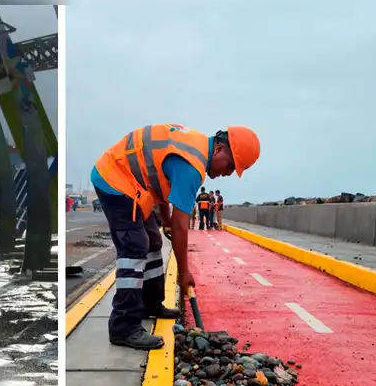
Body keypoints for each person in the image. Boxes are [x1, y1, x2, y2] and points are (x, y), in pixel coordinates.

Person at [89, 124, 261, 349]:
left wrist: (166, 221)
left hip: (136, 185)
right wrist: (183, 272)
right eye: (230, 166)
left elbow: (158, 180)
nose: (227, 173)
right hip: (114, 179)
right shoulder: (192, 166)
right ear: (219, 149)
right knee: (134, 246)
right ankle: (123, 326)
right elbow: (182, 226)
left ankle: (150, 304)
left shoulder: (194, 149)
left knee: (153, 240)